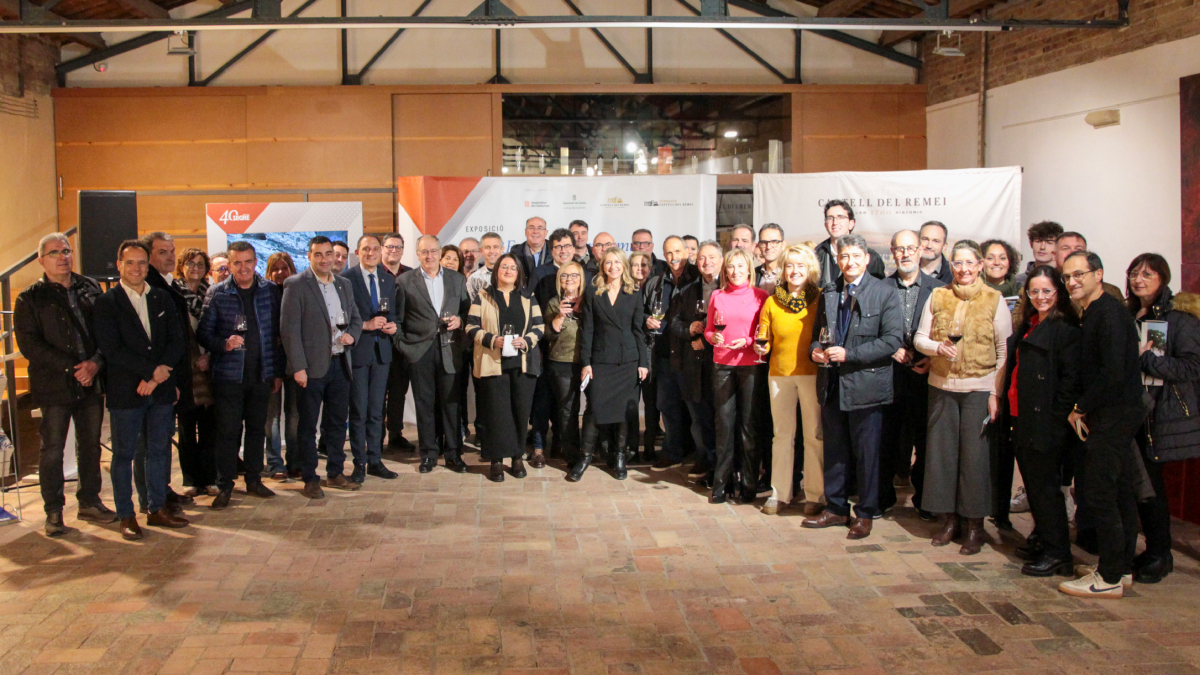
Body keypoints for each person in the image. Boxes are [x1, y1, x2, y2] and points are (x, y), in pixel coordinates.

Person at [914, 240, 1012, 555]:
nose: (964, 269)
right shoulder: (938, 296)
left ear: (980, 265)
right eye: (958, 263)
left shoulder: (994, 300)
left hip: (978, 389)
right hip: (941, 386)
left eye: (970, 263)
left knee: (975, 460)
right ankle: (949, 521)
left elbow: (1003, 353)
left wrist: (995, 393)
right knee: (941, 458)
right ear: (951, 265)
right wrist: (936, 348)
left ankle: (975, 527)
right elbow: (920, 338)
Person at [803, 234, 903, 540]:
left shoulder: (884, 293)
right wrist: (815, 351)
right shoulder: (829, 292)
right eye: (844, 257)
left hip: (867, 385)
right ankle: (835, 508)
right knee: (835, 450)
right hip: (832, 384)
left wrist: (851, 354)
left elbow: (892, 340)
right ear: (837, 259)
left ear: (867, 259)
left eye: (856, 256)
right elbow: (817, 336)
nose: (850, 262)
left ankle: (866, 512)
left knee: (867, 454)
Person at [14, 233, 115, 536]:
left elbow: (107, 332)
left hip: (91, 380)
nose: (63, 257)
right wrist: (74, 368)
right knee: (53, 449)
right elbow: (30, 345)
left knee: (90, 446)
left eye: (67, 250)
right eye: (55, 252)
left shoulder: (91, 287)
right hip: (55, 384)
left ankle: (89, 502)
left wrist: (95, 363)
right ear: (41, 259)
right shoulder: (30, 297)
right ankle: (54, 511)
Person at [1059, 251, 1145, 598]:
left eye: (1079, 274)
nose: (1072, 281)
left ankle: (1108, 576)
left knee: (1099, 492)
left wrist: (1079, 407)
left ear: (1099, 274)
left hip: (1114, 414)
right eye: (1067, 276)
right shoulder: (1099, 312)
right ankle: (1120, 567)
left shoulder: (1107, 314)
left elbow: (1111, 373)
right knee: (1119, 490)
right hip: (1115, 412)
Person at [92, 240, 188, 538]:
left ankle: (156, 508)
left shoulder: (162, 298)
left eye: (142, 262)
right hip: (126, 392)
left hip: (159, 390)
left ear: (149, 265)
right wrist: (150, 372)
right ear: (119, 265)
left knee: (158, 451)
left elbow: (177, 341)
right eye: (130, 262)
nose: (137, 268)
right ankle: (126, 515)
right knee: (124, 455)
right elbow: (112, 349)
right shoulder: (106, 303)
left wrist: (158, 378)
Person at [1000, 265, 1079, 577]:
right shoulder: (1029, 323)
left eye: (1047, 290)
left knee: (1045, 491)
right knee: (1034, 489)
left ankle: (1059, 554)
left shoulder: (1066, 330)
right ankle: (1046, 542)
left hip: (1045, 422)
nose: (1040, 296)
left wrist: (1056, 422)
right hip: (1022, 416)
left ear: (1058, 292)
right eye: (1034, 291)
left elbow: (1069, 383)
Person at [1126, 254, 1200, 584]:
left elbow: (1191, 368)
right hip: (1131, 411)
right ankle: (1149, 550)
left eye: (1148, 274)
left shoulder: (1179, 318)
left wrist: (1148, 362)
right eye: (1134, 273)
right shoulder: (1130, 314)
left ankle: (1161, 554)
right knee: (1137, 484)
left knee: (1151, 486)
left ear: (1163, 278)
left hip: (1160, 413)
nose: (1139, 279)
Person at [196, 241, 284, 508]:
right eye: (237, 263)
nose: (243, 267)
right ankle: (225, 486)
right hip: (229, 377)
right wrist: (224, 344)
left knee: (257, 430)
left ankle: (255, 480)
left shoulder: (270, 291)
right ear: (230, 264)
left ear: (255, 262)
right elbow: (203, 333)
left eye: (248, 261)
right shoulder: (217, 292)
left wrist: (277, 372)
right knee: (228, 433)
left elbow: (279, 336)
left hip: (261, 375)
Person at [280, 236, 364, 499]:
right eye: (319, 255)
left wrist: (352, 335)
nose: (326, 259)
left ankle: (336, 472)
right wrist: (298, 367)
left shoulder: (344, 284)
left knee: (338, 423)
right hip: (310, 368)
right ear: (309, 256)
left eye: (329, 254)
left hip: (340, 363)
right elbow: (289, 330)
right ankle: (310, 477)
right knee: (307, 427)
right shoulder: (295, 285)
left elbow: (356, 319)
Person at [878, 230, 944, 519]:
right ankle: (883, 498)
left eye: (911, 248)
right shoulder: (879, 288)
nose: (905, 254)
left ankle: (925, 500)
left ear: (920, 251)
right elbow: (870, 330)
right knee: (886, 439)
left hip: (925, 376)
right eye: (899, 249)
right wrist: (891, 349)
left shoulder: (939, 289)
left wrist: (932, 358)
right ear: (892, 252)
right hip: (888, 373)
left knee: (926, 441)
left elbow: (946, 332)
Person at [568, 248, 649, 482]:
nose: (613, 266)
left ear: (624, 265)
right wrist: (586, 363)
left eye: (617, 262)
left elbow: (637, 330)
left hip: (628, 360)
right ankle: (585, 457)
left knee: (624, 412)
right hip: (601, 360)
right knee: (593, 410)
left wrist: (643, 362)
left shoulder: (633, 291)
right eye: (608, 262)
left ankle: (620, 457)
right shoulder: (593, 291)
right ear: (602, 266)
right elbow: (588, 330)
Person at [394, 235, 472, 473]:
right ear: (417, 254)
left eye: (433, 251)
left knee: (452, 405)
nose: (429, 256)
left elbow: (468, 312)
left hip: (450, 349)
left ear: (440, 252)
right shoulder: (405, 281)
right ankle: (428, 454)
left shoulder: (456, 279)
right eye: (424, 252)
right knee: (424, 404)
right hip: (420, 352)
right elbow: (397, 320)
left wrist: (460, 320)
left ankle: (454, 454)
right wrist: (404, 347)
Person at [753, 244, 822, 515]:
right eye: (790, 265)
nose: (794, 271)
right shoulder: (772, 301)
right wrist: (762, 348)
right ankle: (780, 492)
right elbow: (765, 338)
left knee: (814, 436)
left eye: (800, 265)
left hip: (811, 374)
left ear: (810, 270)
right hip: (779, 375)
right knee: (781, 436)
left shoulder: (820, 299)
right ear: (783, 270)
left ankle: (815, 494)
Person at [466, 253, 544, 481]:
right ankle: (496, 460)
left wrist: (527, 341)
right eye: (504, 267)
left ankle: (517, 457)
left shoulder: (529, 297)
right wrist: (492, 339)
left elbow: (539, 326)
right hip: (493, 364)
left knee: (520, 413)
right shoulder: (483, 296)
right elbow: (470, 327)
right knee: (496, 415)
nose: (508, 271)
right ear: (496, 271)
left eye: (513, 268)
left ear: (519, 273)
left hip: (522, 364)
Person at [705, 248, 769, 504]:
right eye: (731, 267)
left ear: (749, 269)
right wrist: (713, 338)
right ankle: (722, 484)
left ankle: (749, 484)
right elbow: (709, 331)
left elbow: (765, 333)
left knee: (749, 427)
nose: (735, 271)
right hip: (722, 365)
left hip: (750, 364)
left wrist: (749, 340)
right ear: (725, 270)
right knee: (724, 425)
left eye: (741, 266)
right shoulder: (717, 295)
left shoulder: (760, 296)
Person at [140, 232, 194, 513]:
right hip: (154, 378)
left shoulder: (166, 284)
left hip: (171, 373)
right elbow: (153, 340)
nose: (170, 257)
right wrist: (163, 376)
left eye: (172, 251)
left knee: (160, 443)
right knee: (149, 445)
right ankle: (151, 499)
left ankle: (161, 490)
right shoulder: (147, 287)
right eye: (163, 252)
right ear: (148, 256)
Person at [342, 234, 400, 482]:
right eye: (366, 249)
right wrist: (365, 325)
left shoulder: (388, 279)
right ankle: (359, 463)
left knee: (377, 412)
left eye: (375, 249)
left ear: (381, 251)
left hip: (382, 352)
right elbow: (341, 318)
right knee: (358, 412)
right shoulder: (345, 279)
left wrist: (393, 326)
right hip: (357, 352)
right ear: (357, 252)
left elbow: (395, 314)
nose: (371, 253)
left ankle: (375, 460)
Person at [644, 236, 699, 471]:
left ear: (686, 251)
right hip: (665, 354)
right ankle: (673, 451)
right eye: (668, 253)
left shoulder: (697, 277)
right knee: (667, 406)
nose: (673, 257)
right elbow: (644, 310)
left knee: (696, 409)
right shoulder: (657, 282)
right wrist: (646, 319)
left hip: (693, 353)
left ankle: (700, 454)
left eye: (677, 251)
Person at [671, 241, 721, 485]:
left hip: (722, 366)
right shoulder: (688, 290)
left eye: (712, 257)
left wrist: (707, 343)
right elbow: (674, 324)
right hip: (693, 366)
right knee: (700, 421)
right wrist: (689, 329)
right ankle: (707, 461)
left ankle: (721, 468)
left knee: (721, 419)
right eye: (701, 258)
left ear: (721, 260)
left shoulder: (730, 288)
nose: (706, 262)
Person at [172, 248, 217, 499]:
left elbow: (217, 327)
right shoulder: (174, 294)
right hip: (184, 371)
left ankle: (209, 478)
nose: (195, 268)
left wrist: (208, 356)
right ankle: (190, 479)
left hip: (208, 368)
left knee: (209, 426)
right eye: (191, 264)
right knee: (187, 427)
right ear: (182, 266)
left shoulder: (211, 294)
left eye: (200, 264)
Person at [529, 228, 578, 458]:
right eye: (558, 246)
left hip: (572, 353)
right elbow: (531, 310)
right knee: (542, 400)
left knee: (566, 404)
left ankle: (561, 443)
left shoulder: (582, 272)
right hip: (543, 347)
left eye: (567, 246)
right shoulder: (540, 273)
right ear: (552, 249)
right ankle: (539, 446)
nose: (563, 251)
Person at [542, 262, 586, 465]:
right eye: (564, 276)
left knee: (594, 407)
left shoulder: (589, 300)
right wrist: (560, 315)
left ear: (581, 278)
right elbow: (549, 335)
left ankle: (592, 449)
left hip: (588, 362)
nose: (569, 279)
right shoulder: (553, 302)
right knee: (567, 409)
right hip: (561, 363)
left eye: (573, 275)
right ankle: (572, 454)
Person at [264, 252, 299, 479]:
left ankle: (295, 461)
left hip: (295, 362)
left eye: (284, 267)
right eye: (275, 268)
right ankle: (275, 463)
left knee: (295, 415)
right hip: (270, 364)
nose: (279, 272)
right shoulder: (263, 294)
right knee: (271, 416)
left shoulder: (298, 291)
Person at [380, 233, 415, 452]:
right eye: (389, 246)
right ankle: (376, 437)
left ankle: (395, 434)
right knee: (376, 394)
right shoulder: (373, 273)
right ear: (382, 248)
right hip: (377, 341)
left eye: (398, 247)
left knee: (398, 392)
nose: (394, 250)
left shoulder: (411, 274)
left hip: (403, 343)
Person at [813, 201, 885, 288]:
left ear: (851, 224)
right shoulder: (816, 255)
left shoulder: (872, 258)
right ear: (825, 225)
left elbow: (879, 292)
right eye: (830, 218)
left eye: (840, 217)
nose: (835, 222)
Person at [1014, 221, 1063, 287]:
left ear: (1058, 245)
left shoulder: (1065, 278)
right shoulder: (1018, 281)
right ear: (1031, 244)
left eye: (1049, 242)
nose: (1042, 247)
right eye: (1038, 241)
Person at [467, 232, 504, 302]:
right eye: (487, 247)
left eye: (495, 247)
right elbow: (472, 308)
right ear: (481, 250)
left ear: (502, 249)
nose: (492, 251)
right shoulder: (474, 278)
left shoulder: (511, 275)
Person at [510, 216, 550, 281]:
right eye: (531, 228)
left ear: (546, 233)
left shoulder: (555, 251)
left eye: (540, 228)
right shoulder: (515, 253)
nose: (535, 231)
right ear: (526, 232)